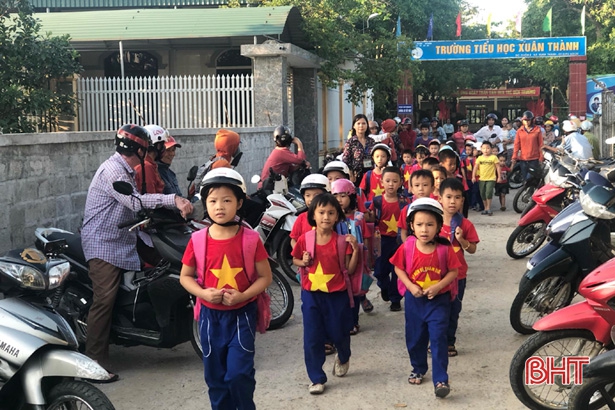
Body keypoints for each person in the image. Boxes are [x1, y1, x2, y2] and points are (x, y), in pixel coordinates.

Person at [81, 124, 193, 380]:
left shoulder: (126, 168)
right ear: (140, 150)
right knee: (105, 299)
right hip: (104, 243)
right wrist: (173, 200)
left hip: (123, 239)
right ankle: (93, 363)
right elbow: (135, 201)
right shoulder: (113, 171)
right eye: (148, 149)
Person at [179, 168, 272, 410]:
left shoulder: (251, 239)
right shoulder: (197, 240)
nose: (219, 206)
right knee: (215, 378)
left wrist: (243, 295)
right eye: (213, 201)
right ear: (205, 204)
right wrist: (203, 293)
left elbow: (265, 277)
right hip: (210, 318)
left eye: (227, 200)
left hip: (242, 316)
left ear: (239, 203)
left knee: (239, 374)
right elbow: (185, 277)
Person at [390, 198, 461, 398]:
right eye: (419, 224)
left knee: (438, 339)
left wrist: (438, 287)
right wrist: (410, 286)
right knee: (415, 338)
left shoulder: (444, 248)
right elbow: (398, 268)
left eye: (430, 224)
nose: (424, 229)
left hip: (439, 302)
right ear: (411, 226)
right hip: (415, 301)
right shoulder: (407, 247)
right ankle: (418, 368)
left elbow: (454, 272)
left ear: (438, 226)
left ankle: (441, 379)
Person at [291, 193, 360, 395]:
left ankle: (344, 355)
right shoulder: (305, 239)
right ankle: (316, 378)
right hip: (311, 295)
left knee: (339, 333)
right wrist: (303, 261)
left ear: (337, 216)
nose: (326, 217)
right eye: (321, 212)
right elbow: (295, 260)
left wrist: (356, 250)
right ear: (313, 215)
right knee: (312, 337)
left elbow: (350, 269)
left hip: (337, 296)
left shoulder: (342, 241)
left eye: (331, 213)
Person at [437, 179, 479, 358]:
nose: (452, 201)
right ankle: (436, 341)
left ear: (462, 200)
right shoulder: (433, 222)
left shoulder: (465, 224)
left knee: (453, 310)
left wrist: (461, 240)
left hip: (458, 276)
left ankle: (449, 342)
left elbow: (473, 249)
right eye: (448, 197)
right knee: (437, 311)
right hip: (436, 276)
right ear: (440, 198)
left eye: (457, 197)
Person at [332, 178, 373, 334]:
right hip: (338, 260)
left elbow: (366, 239)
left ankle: (353, 322)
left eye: (343, 196)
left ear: (351, 197)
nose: (339, 200)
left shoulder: (359, 218)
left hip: (357, 259)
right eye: (335, 196)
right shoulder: (331, 218)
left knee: (355, 291)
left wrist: (367, 260)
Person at [369, 167, 406, 311]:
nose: (391, 184)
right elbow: (371, 218)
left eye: (395, 181)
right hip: (381, 241)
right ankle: (384, 287)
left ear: (400, 183)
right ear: (382, 182)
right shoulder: (377, 201)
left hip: (399, 241)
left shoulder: (404, 201)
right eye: (388, 181)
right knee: (379, 271)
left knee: (397, 271)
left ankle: (395, 299)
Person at [397, 169, 435, 242]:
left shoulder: (436, 208)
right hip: (412, 245)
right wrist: (408, 246)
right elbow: (403, 232)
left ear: (432, 188)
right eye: (417, 185)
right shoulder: (407, 209)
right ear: (412, 189)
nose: (421, 189)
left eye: (425, 185)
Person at [343, 114, 376, 185]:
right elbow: (345, 160)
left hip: (370, 174)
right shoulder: (351, 142)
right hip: (356, 176)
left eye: (364, 123)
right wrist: (351, 174)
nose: (361, 126)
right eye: (358, 123)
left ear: (367, 125)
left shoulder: (371, 141)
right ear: (354, 126)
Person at [134, 124, 167, 194]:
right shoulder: (146, 167)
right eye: (162, 144)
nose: (164, 148)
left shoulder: (149, 165)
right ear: (158, 146)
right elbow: (151, 196)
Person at [511, 111, 543, 181]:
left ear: (532, 120)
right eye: (525, 120)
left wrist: (541, 157)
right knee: (525, 179)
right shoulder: (519, 131)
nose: (526, 122)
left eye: (528, 120)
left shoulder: (537, 130)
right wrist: (514, 157)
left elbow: (541, 144)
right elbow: (516, 145)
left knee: (530, 178)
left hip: (534, 158)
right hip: (523, 159)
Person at [472, 141, 500, 216]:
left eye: (488, 148)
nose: (486, 150)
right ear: (481, 149)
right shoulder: (479, 158)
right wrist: (473, 176)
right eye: (484, 148)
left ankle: (489, 208)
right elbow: (475, 167)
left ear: (491, 149)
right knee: (483, 194)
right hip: (482, 179)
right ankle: (485, 208)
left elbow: (498, 167)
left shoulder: (494, 157)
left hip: (491, 178)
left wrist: (499, 177)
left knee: (488, 193)